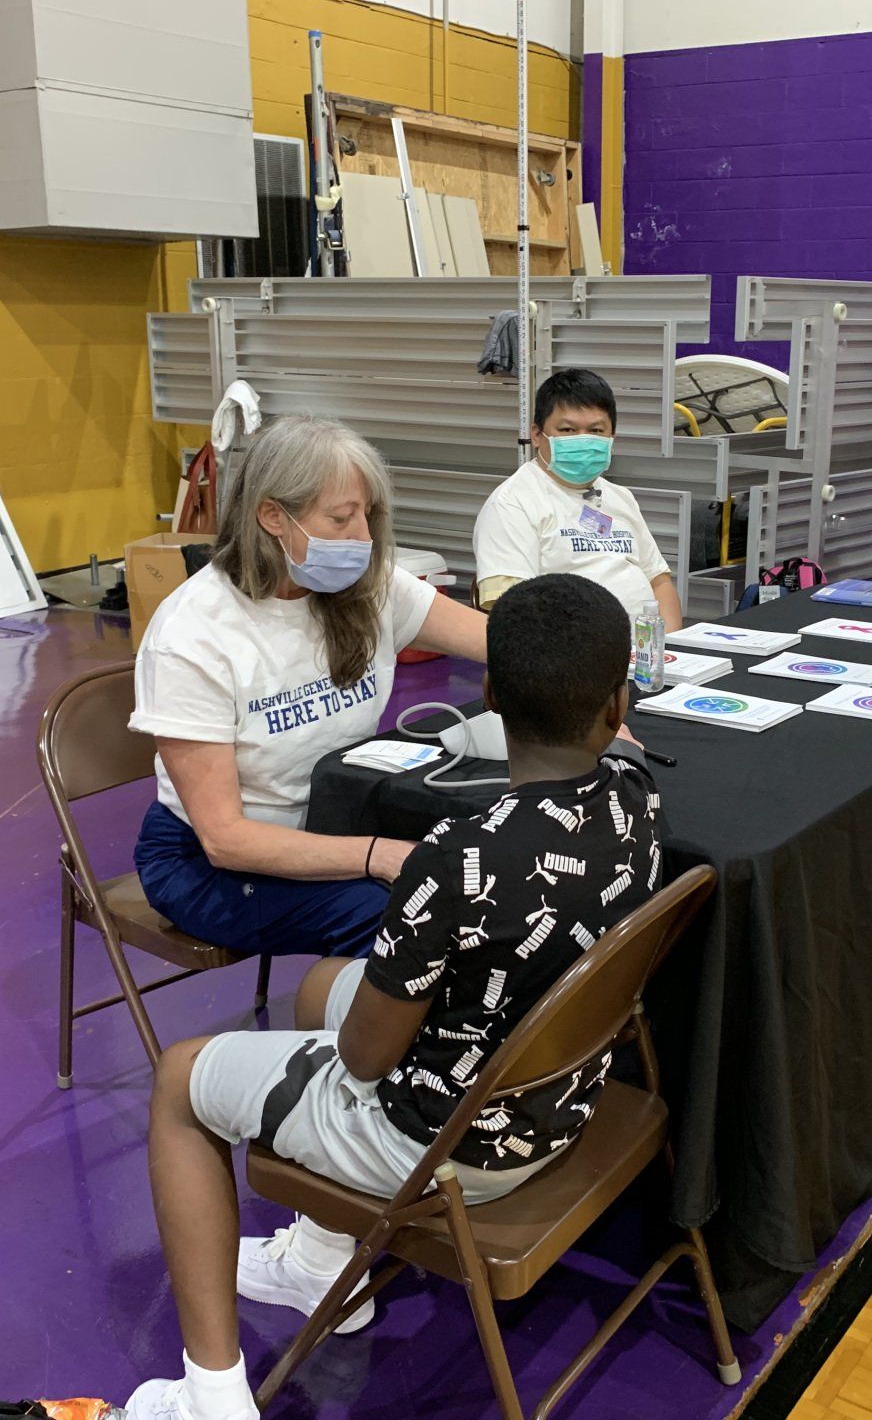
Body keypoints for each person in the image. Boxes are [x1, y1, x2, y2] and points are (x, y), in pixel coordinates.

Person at [124, 573, 662, 1420]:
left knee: (178, 1082)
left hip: (451, 1150)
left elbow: (366, 1059)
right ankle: (317, 1264)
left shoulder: (455, 856)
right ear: (616, 705)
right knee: (320, 985)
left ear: (488, 696)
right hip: (565, 1106)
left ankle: (211, 1396)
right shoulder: (637, 798)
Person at [130, 414, 487, 960]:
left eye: (366, 515)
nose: (363, 538)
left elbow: (497, 641)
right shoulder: (192, 634)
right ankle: (368, 1036)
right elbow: (226, 839)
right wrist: (375, 855)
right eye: (342, 518)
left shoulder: (369, 587)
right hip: (209, 863)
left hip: (336, 821)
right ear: (272, 515)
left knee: (498, 870)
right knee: (419, 918)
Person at [473, 368, 683, 629]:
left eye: (596, 431)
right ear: (537, 435)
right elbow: (513, 610)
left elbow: (659, 582)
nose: (583, 440)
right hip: (568, 659)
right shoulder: (512, 503)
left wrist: (671, 650)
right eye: (568, 429)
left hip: (642, 655)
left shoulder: (620, 497)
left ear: (612, 437)